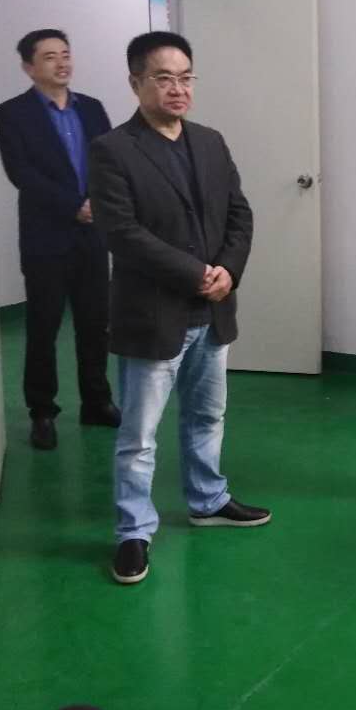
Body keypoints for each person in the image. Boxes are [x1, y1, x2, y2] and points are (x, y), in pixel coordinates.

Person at [89, 31, 270, 586]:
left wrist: (228, 271)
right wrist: (196, 274)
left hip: (212, 313)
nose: (178, 88)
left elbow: (239, 213)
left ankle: (207, 500)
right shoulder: (113, 150)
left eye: (186, 77)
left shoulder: (210, 142)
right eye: (164, 78)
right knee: (139, 437)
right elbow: (122, 233)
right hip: (154, 313)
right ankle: (133, 531)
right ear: (135, 83)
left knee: (207, 416)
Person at [0, 29, 118, 450]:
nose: (62, 63)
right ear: (29, 67)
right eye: (49, 57)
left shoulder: (92, 108)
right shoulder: (11, 113)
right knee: (43, 326)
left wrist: (98, 202)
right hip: (46, 235)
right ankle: (42, 412)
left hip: (93, 233)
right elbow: (21, 173)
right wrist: (73, 206)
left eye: (65, 54)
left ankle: (96, 401)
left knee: (94, 324)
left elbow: (109, 161)